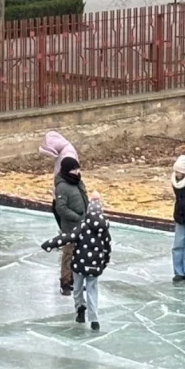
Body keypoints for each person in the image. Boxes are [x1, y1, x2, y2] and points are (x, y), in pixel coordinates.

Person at [42, 191, 111, 331]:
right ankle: (94, 319)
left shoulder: (83, 225)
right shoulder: (104, 228)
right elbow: (107, 248)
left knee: (78, 289)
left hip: (79, 264)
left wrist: (50, 243)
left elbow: (68, 237)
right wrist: (103, 264)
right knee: (92, 290)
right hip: (94, 267)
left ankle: (80, 307)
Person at [53, 156, 89, 296]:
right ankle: (65, 283)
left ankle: (76, 281)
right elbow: (60, 208)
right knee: (68, 254)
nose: (77, 171)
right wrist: (77, 217)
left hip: (82, 225)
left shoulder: (78, 182)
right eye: (74, 169)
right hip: (70, 227)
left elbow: (84, 200)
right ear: (68, 170)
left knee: (79, 254)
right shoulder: (62, 187)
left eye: (78, 168)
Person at [40, 131, 79, 228]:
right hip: (62, 190)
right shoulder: (65, 151)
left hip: (64, 193)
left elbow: (72, 175)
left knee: (60, 211)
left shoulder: (67, 154)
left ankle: (68, 237)